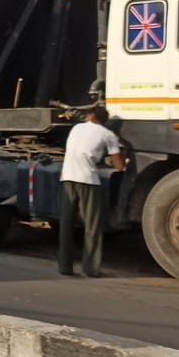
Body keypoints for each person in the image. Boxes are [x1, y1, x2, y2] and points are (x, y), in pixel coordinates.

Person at [58, 105, 126, 278]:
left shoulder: (76, 127)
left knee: (66, 225)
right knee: (92, 226)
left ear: (89, 116)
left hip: (67, 178)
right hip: (88, 181)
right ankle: (91, 269)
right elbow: (119, 165)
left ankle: (64, 267)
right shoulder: (108, 135)